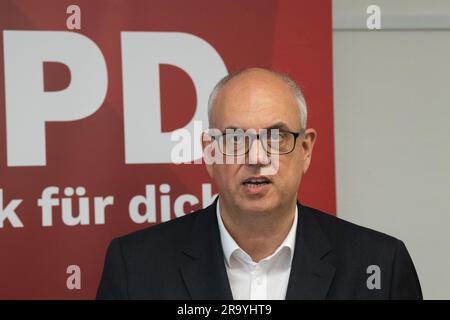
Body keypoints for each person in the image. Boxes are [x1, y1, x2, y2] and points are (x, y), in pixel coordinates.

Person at [96, 68, 422, 299]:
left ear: (305, 150)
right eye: (236, 138)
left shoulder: (379, 265)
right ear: (210, 153)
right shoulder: (136, 267)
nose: (256, 157)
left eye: (277, 137)